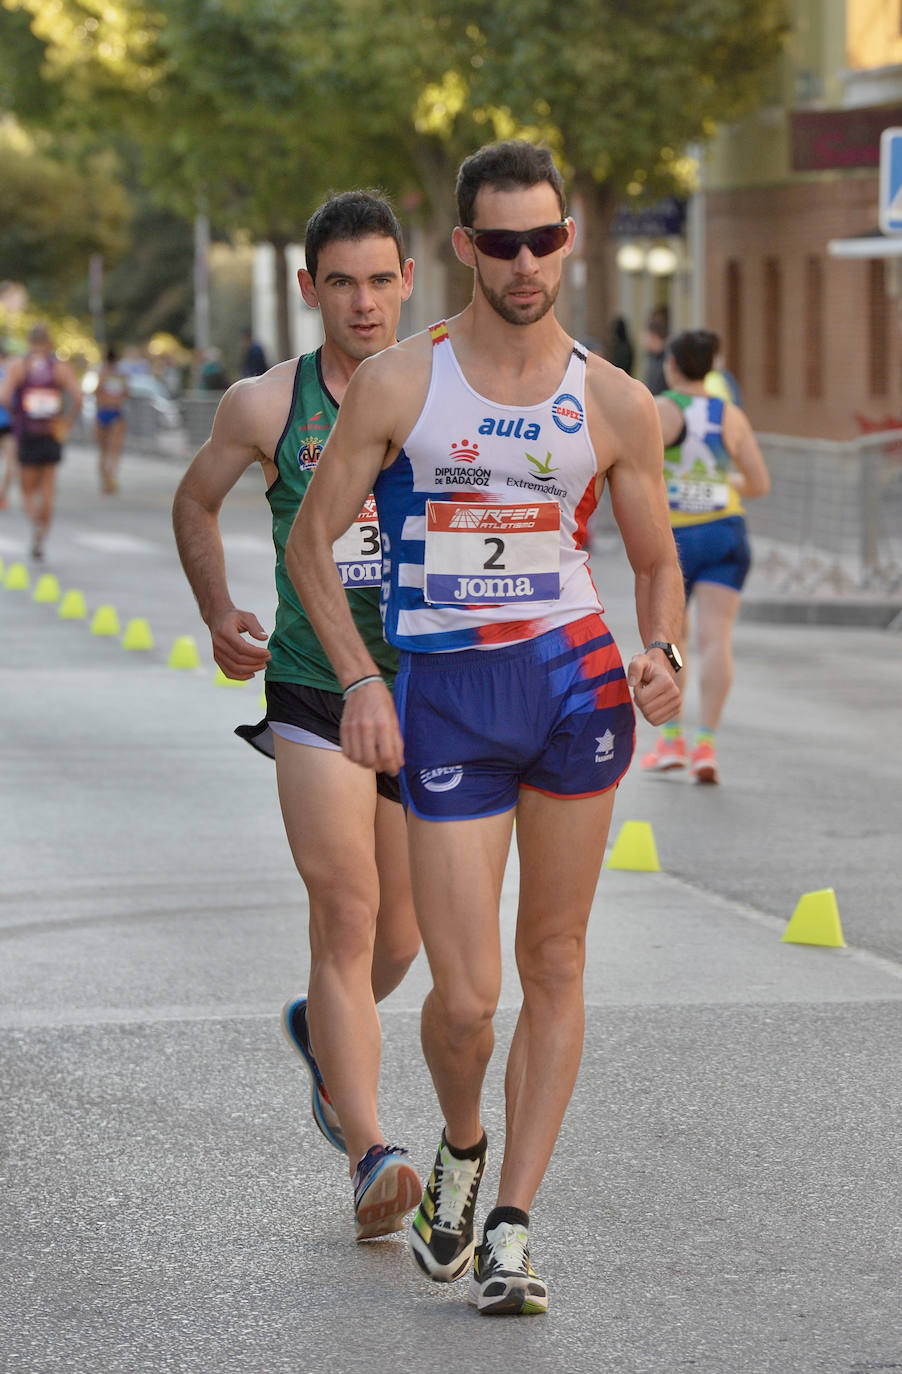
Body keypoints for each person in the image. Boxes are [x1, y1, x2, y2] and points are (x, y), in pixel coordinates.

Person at [284, 140, 684, 1316]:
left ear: (569, 240)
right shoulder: (403, 383)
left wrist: (659, 654)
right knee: (465, 1002)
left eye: (544, 240)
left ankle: (510, 1221)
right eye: (500, 243)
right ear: (462, 246)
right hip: (445, 697)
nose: (524, 264)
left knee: (553, 960)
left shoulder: (614, 400)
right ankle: (460, 1144)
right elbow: (312, 545)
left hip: (573, 692)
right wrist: (359, 680)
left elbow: (654, 562)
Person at [172, 192, 423, 1240]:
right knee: (348, 909)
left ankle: (324, 1028)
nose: (363, 303)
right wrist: (220, 610)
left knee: (404, 942)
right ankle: (371, 1151)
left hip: (426, 696)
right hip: (316, 686)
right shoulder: (266, 405)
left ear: (409, 277)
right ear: (308, 287)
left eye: (379, 279)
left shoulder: (445, 393)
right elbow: (195, 501)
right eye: (341, 282)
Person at [640, 328, 770, 784]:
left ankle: (672, 736)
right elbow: (759, 482)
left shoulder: (661, 409)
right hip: (724, 532)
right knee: (717, 640)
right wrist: (722, 484)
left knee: (672, 641)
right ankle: (706, 746)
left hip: (676, 538)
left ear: (671, 366)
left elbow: (636, 471)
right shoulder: (729, 415)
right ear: (712, 368)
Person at [0, 323, 83, 559]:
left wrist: (18, 415)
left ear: (29, 341)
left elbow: (4, 396)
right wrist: (66, 421)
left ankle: (35, 518)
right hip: (51, 432)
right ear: (48, 342)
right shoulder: (60, 367)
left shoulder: (19, 366)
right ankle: (42, 534)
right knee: (48, 486)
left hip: (27, 433)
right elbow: (77, 397)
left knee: (27, 489)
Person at [93, 347, 128, 494]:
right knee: (114, 449)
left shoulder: (101, 374)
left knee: (103, 450)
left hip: (102, 411)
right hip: (115, 412)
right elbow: (126, 393)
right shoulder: (121, 376)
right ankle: (110, 476)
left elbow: (96, 392)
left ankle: (104, 481)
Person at [0, 341, 16, 511]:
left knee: (9, 464)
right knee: (9, 464)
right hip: (9, 424)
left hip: (7, 424)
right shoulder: (12, 374)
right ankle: (2, 495)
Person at [642, 303, 669, 395]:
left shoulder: (669, 358)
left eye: (646, 336)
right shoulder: (651, 356)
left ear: (654, 336)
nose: (644, 340)